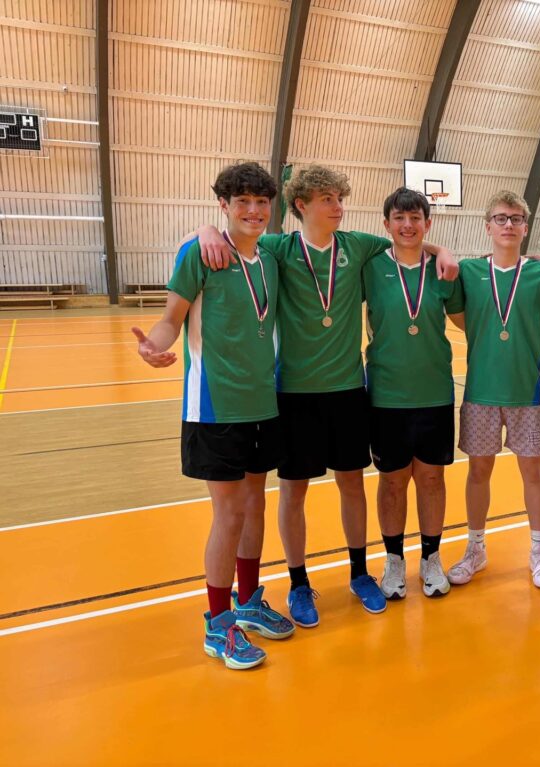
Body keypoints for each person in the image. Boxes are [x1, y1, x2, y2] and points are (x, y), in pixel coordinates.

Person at [195, 165, 458, 627]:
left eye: (340, 198)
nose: (338, 207)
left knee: (352, 484)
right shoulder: (278, 248)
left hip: (349, 391)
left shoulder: (358, 246)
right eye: (328, 199)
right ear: (301, 205)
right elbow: (236, 238)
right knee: (292, 492)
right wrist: (205, 231)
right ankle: (299, 583)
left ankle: (359, 573)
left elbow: (410, 241)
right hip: (294, 394)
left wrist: (444, 248)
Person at [132, 162, 293, 670]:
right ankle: (218, 624)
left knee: (255, 507)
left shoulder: (270, 258)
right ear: (223, 205)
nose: (253, 211)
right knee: (229, 515)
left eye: (261, 202)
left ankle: (247, 602)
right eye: (241, 201)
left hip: (263, 404)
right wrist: (154, 347)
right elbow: (170, 320)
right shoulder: (200, 253)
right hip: (214, 407)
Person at [445, 191, 540, 589]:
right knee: (478, 472)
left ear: (526, 227)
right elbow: (459, 316)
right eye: (501, 218)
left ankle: (539, 550)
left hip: (527, 392)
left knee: (533, 472)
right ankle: (475, 548)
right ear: (488, 226)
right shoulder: (469, 272)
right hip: (481, 392)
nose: (508, 225)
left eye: (516, 219)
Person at [362, 187, 465, 599]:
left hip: (435, 392)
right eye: (399, 218)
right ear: (386, 224)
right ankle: (394, 560)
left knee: (432, 478)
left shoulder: (444, 271)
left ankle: (431, 557)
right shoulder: (370, 266)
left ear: (428, 223)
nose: (408, 225)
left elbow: (468, 323)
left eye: (415, 218)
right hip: (386, 395)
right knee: (391, 482)